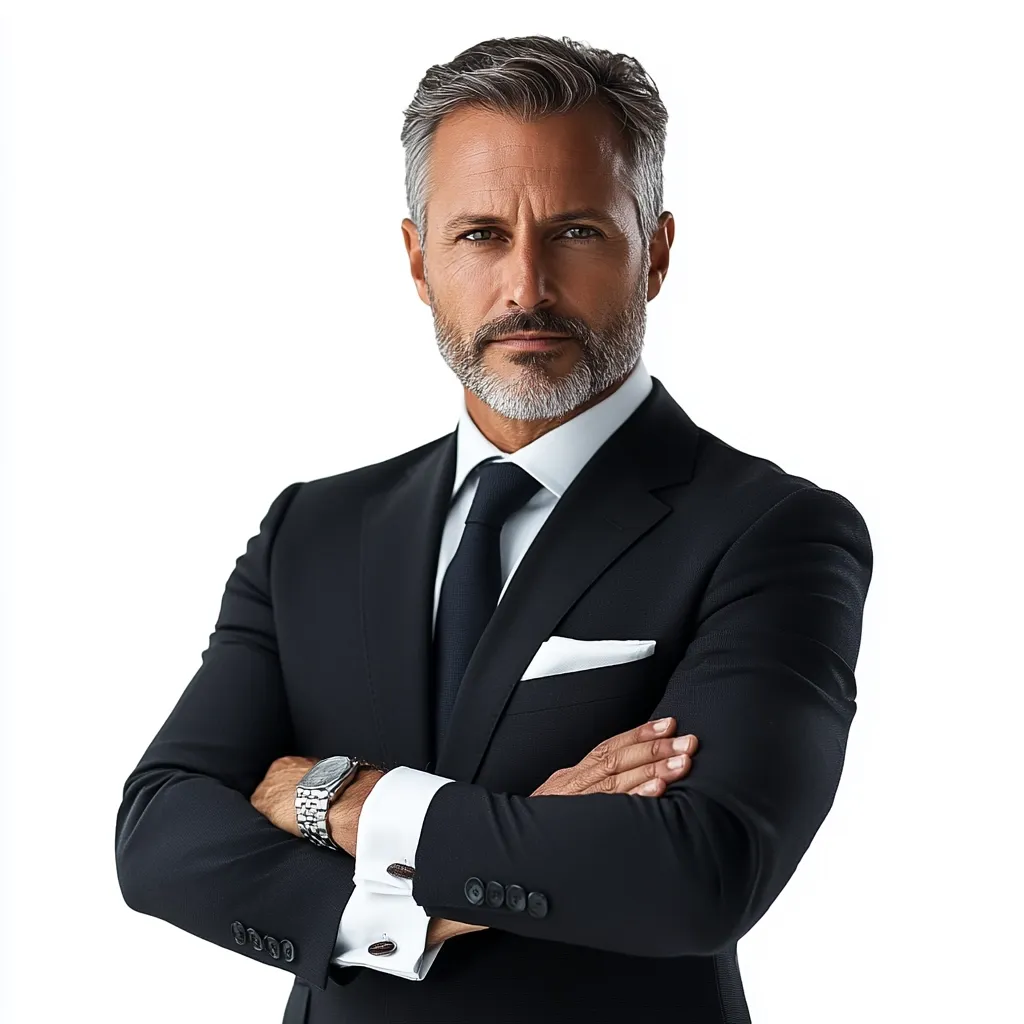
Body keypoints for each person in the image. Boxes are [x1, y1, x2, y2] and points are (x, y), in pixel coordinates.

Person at [114, 33, 872, 1024]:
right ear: (417, 259)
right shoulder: (315, 526)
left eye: (576, 232)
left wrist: (347, 799)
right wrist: (408, 919)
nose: (525, 288)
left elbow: (697, 870)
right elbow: (162, 830)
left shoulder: (772, 530)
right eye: (479, 234)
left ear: (656, 250)